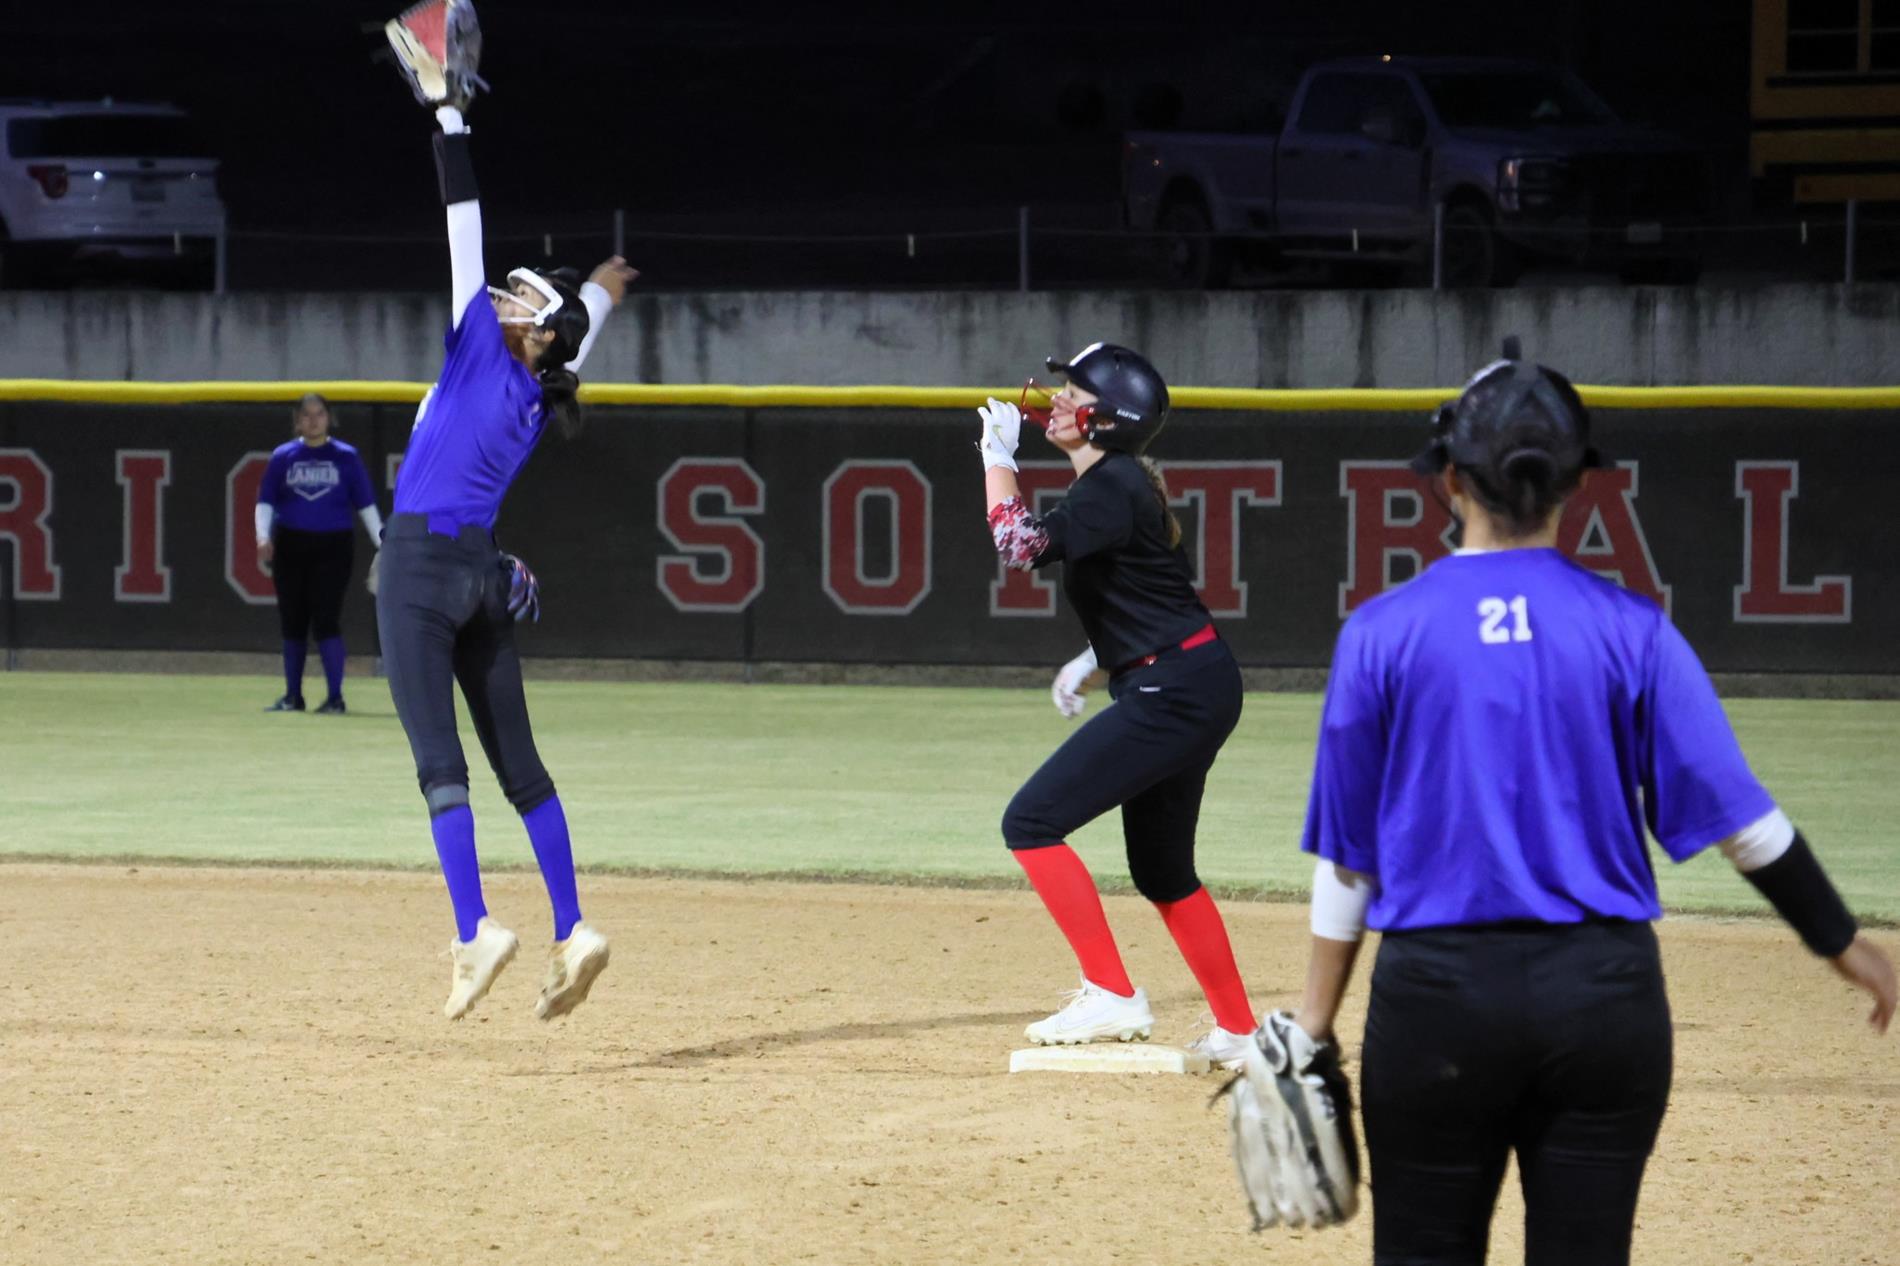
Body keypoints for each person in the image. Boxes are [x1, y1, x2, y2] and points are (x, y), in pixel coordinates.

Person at [1283, 342, 1896, 1264]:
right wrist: (1842, 943)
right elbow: (1748, 829)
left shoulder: (1381, 635)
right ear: (1577, 486)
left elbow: (1351, 861)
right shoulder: (1632, 631)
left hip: (1438, 1006)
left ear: (1450, 480)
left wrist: (1313, 1021)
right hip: (1602, 1004)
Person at [378, 87, 638, 1021]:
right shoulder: (539, 388)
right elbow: (579, 330)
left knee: (439, 766)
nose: (497, 292)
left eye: (514, 295)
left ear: (527, 328)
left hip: (414, 567)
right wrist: (601, 292)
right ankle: (574, 927)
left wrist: (447, 115)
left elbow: (463, 223)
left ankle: (475, 928)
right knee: (521, 767)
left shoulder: (479, 349)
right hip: (484, 574)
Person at [980, 342, 1261, 1066]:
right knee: (1163, 872)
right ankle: (1239, 1033)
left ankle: (1110, 992)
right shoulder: (1119, 483)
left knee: (1032, 821)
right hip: (1187, 679)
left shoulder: (1109, 487)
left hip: (1174, 689)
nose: (1057, 400)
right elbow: (1155, 591)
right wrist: (1094, 659)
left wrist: (995, 460)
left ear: (1110, 419)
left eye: (1075, 393)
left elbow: (1019, 546)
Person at [254, 393, 383, 714]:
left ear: (329, 418)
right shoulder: (284, 456)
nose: (313, 420)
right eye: (307, 415)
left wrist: (384, 544)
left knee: (326, 619)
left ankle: (335, 698)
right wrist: (262, 536)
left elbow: (365, 503)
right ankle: (292, 696)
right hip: (291, 544)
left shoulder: (346, 456)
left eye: (320, 414)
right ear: (297, 420)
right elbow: (266, 501)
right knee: (293, 621)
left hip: (333, 545)